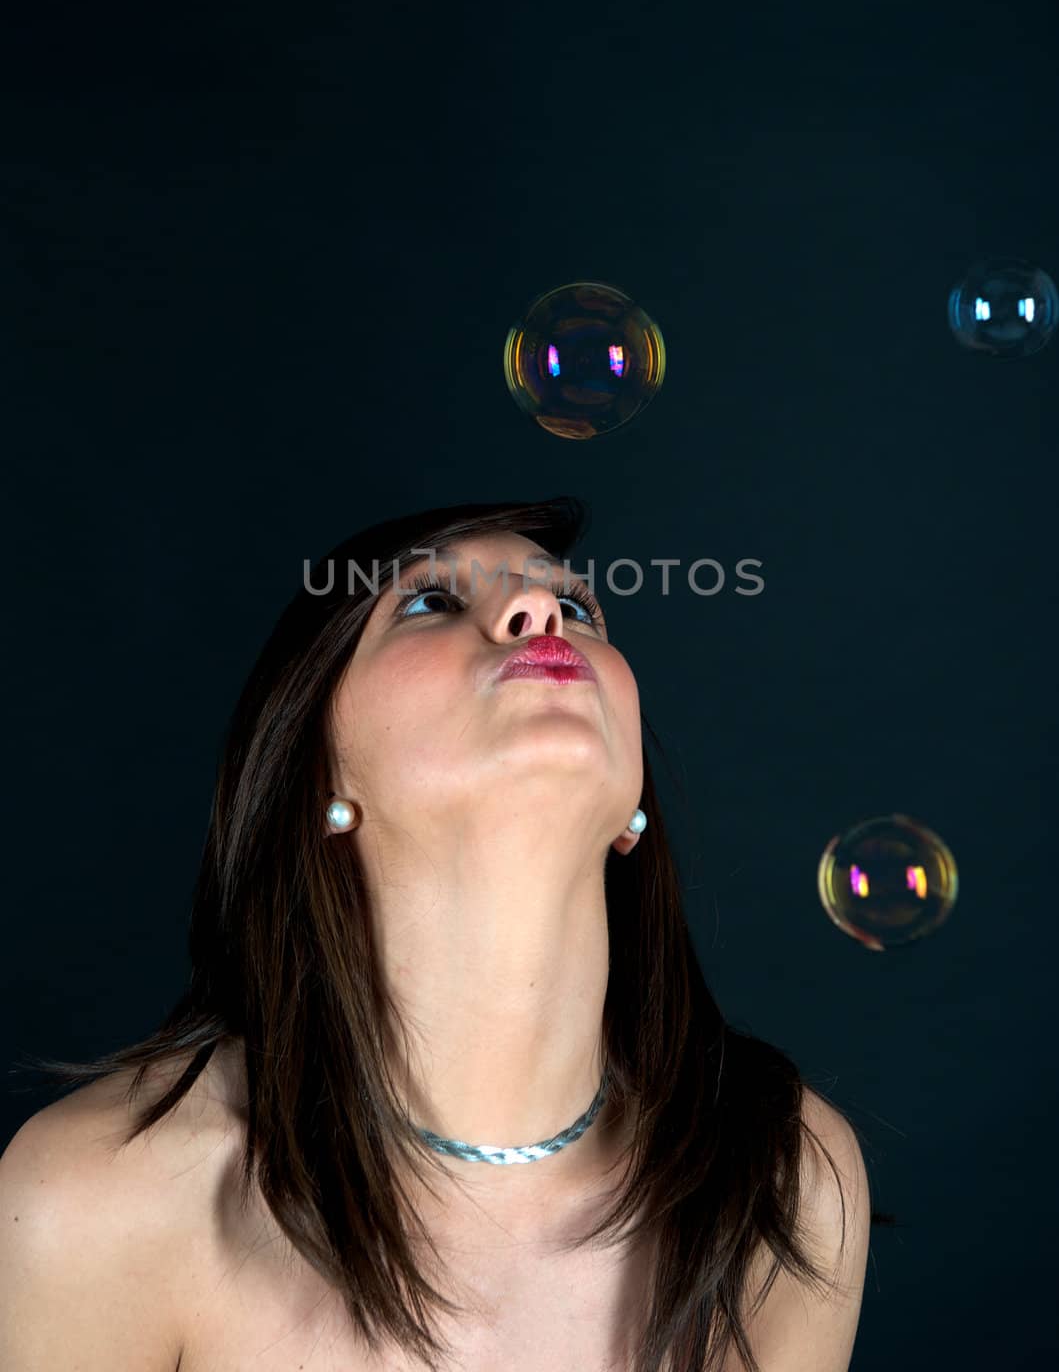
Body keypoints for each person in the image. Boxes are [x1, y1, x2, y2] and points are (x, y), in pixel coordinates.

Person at [1, 498, 882, 1372]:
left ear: (632, 810)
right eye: (430, 602)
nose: (537, 615)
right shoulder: (102, 1196)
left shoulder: (782, 1178)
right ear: (318, 776)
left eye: (575, 608)